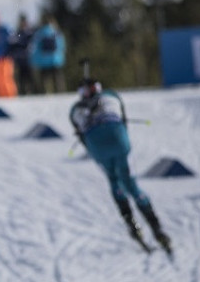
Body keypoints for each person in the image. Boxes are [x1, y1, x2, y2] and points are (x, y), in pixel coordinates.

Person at [69, 79, 171, 253]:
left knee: (114, 180)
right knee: (131, 184)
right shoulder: (111, 96)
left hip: (97, 146)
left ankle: (133, 226)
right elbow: (123, 121)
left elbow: (81, 136)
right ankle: (156, 228)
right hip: (118, 139)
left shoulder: (75, 109)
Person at [30, 13, 67, 93]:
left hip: (44, 61)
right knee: (57, 78)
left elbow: (35, 48)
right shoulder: (56, 32)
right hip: (56, 59)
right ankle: (61, 92)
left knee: (45, 80)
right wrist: (60, 57)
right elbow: (61, 45)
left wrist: (35, 61)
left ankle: (45, 93)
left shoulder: (39, 33)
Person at [8, 13, 35, 95]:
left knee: (29, 77)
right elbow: (13, 45)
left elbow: (31, 45)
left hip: (28, 59)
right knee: (20, 77)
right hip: (19, 59)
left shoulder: (29, 33)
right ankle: (21, 92)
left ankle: (30, 91)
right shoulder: (17, 33)